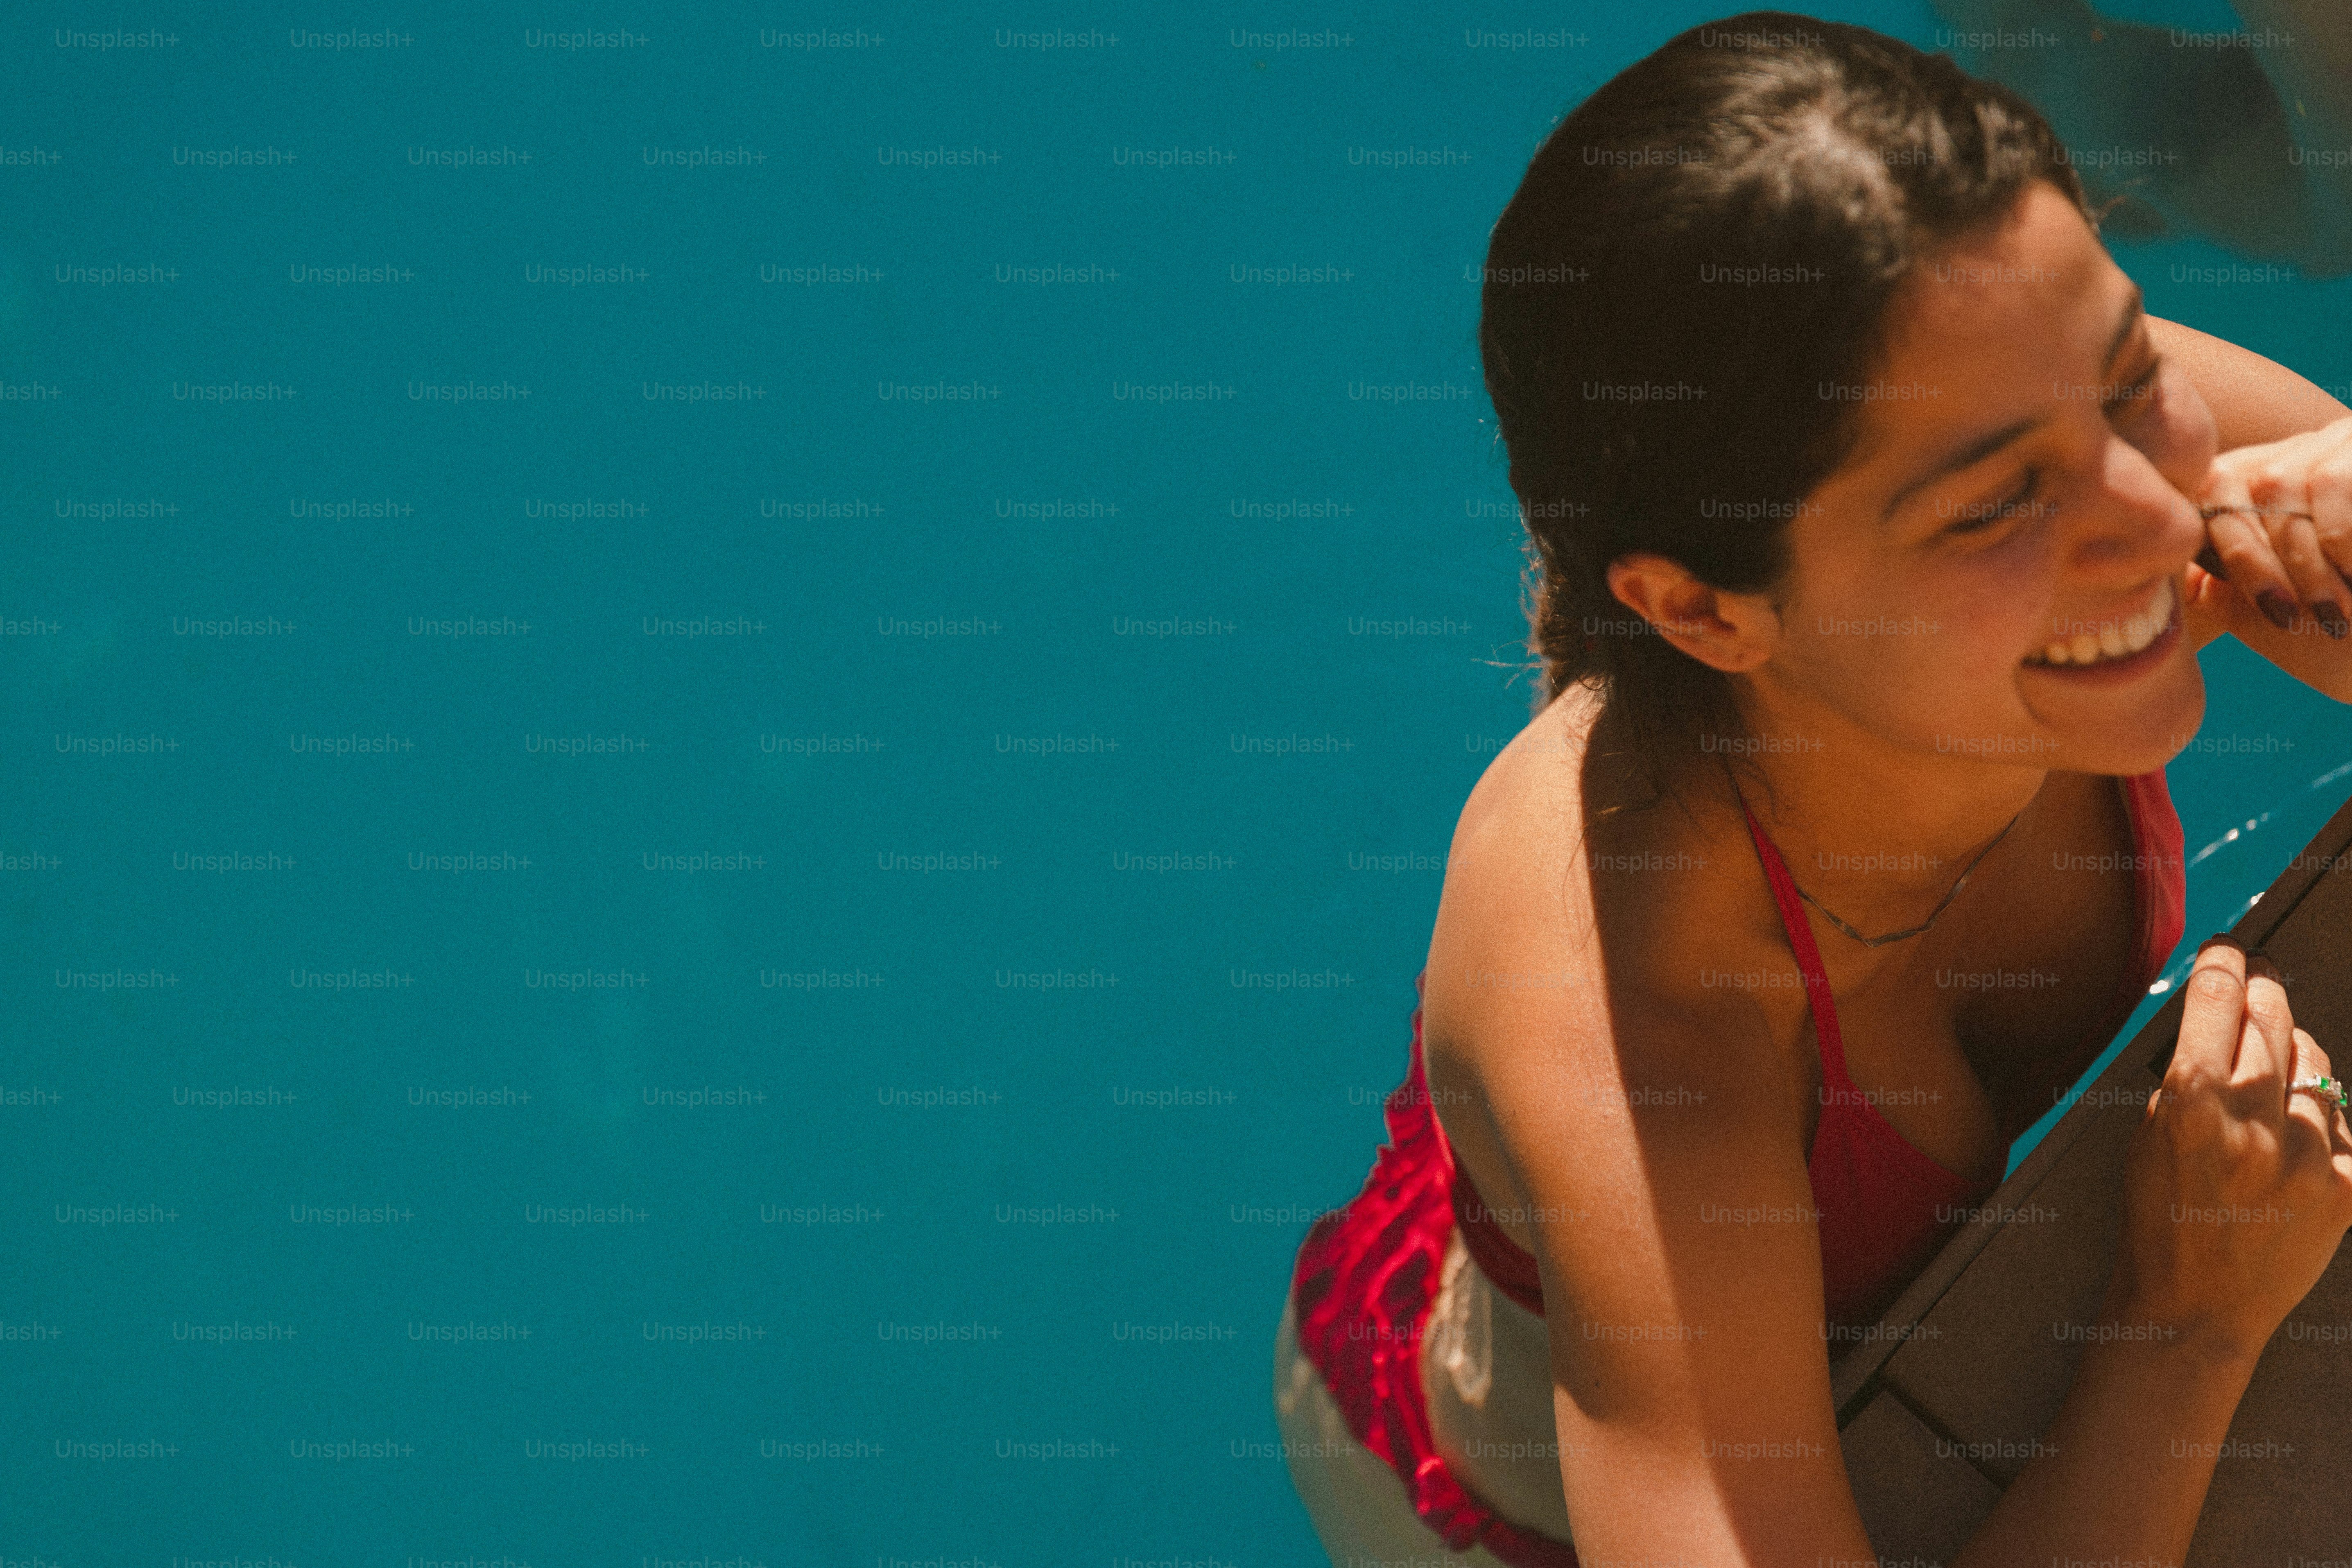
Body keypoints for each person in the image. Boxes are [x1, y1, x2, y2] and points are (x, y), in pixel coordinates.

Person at [1273, 13, 2352, 1566]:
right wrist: (2187, 1326)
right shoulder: (1645, 1013)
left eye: (2127, 382)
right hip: (1497, 1504)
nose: (2153, 503)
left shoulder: (2019, 405)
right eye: (1996, 505)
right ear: (1705, 612)